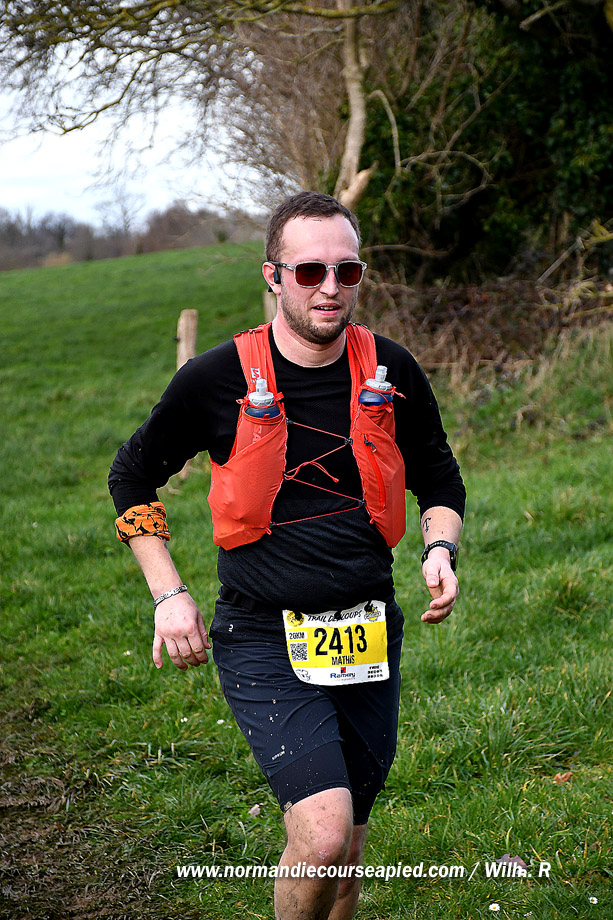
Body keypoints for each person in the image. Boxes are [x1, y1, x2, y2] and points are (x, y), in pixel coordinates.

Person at [109, 191, 465, 920]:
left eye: (346, 270)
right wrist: (169, 594)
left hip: (368, 630)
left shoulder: (391, 369)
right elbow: (131, 475)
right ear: (273, 277)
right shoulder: (215, 379)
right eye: (309, 271)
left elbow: (438, 477)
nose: (330, 287)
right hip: (263, 633)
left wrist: (439, 548)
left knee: (346, 850)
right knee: (324, 834)